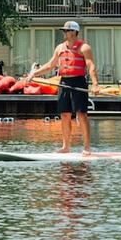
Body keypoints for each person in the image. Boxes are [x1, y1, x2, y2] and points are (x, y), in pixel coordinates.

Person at [27, 20, 99, 155]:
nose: (64, 33)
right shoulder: (60, 47)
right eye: (64, 31)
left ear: (74, 32)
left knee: (81, 114)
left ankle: (87, 147)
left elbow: (91, 66)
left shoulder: (84, 48)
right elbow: (50, 65)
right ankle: (65, 147)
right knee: (65, 114)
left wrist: (95, 84)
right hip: (64, 82)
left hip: (78, 82)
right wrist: (34, 73)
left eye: (66, 30)